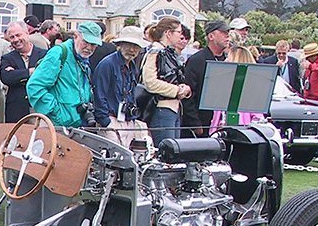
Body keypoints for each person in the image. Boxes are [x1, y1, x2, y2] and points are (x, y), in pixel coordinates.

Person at [26, 20, 101, 129]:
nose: (89, 48)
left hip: (76, 126)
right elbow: (34, 86)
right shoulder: (59, 53)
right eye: (86, 42)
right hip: (55, 126)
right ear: (76, 36)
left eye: (93, 44)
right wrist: (56, 114)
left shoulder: (83, 59)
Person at [92, 26, 151, 150]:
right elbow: (98, 95)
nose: (132, 50)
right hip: (111, 119)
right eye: (128, 45)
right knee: (116, 160)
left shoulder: (133, 66)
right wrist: (106, 122)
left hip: (128, 120)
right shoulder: (107, 64)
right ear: (120, 44)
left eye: (136, 46)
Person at [141, 17, 192, 146]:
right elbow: (150, 82)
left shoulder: (168, 53)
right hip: (161, 108)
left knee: (174, 151)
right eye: (179, 32)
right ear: (168, 33)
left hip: (173, 108)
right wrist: (176, 90)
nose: (181, 36)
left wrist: (183, 88)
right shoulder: (155, 52)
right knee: (167, 153)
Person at [182, 20, 230, 136]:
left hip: (224, 123)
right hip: (203, 124)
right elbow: (188, 94)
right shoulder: (197, 60)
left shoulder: (228, 61)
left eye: (228, 32)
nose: (227, 36)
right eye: (223, 32)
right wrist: (195, 123)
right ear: (211, 36)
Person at [209, 47, 266, 133]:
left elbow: (258, 118)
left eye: (229, 57)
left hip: (242, 135)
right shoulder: (223, 86)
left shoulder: (251, 89)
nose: (226, 60)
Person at [0, 21, 47, 123]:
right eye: (12, 37)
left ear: (27, 33)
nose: (16, 40)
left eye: (18, 35)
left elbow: (46, 77)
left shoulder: (45, 55)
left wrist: (17, 74)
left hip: (39, 109)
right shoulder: (7, 58)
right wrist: (31, 71)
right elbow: (6, 78)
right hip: (16, 112)